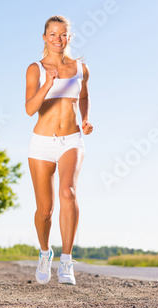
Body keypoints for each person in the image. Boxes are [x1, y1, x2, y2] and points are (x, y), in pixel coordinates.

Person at [24, 15, 93, 285]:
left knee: (68, 192)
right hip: (41, 143)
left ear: (69, 37)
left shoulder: (81, 68)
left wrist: (85, 119)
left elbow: (84, 96)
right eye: (52, 34)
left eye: (62, 34)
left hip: (72, 140)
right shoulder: (35, 69)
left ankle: (66, 260)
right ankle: (45, 252)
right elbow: (30, 108)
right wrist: (47, 85)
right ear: (44, 37)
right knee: (45, 211)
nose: (57, 39)